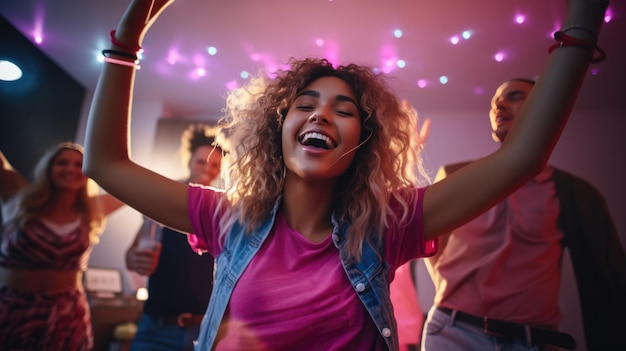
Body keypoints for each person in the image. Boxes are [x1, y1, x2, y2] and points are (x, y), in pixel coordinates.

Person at [83, 0, 609, 349]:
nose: (320, 114)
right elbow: (105, 165)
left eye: (343, 109)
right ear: (279, 128)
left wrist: (582, 27)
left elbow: (520, 159)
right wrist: (125, 45)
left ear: (361, 142)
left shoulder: (390, 225)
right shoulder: (227, 217)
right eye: (305, 104)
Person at [421, 78, 626, 351]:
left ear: (543, 106)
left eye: (514, 96)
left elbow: (609, 278)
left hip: (534, 341)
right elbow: (431, 250)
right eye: (495, 102)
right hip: (453, 334)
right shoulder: (455, 175)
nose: (500, 105)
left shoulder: (571, 192)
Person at [0, 143, 124, 350]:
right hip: (11, 309)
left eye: (79, 164)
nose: (70, 169)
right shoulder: (20, 199)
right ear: (49, 168)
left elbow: (134, 192)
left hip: (67, 315)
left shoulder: (92, 209)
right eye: (62, 163)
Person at [126, 123, 224, 351]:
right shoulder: (164, 199)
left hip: (206, 330)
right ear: (188, 161)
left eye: (215, 165)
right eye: (201, 162)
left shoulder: (223, 209)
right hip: (158, 328)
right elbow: (132, 255)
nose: (207, 169)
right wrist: (136, 259)